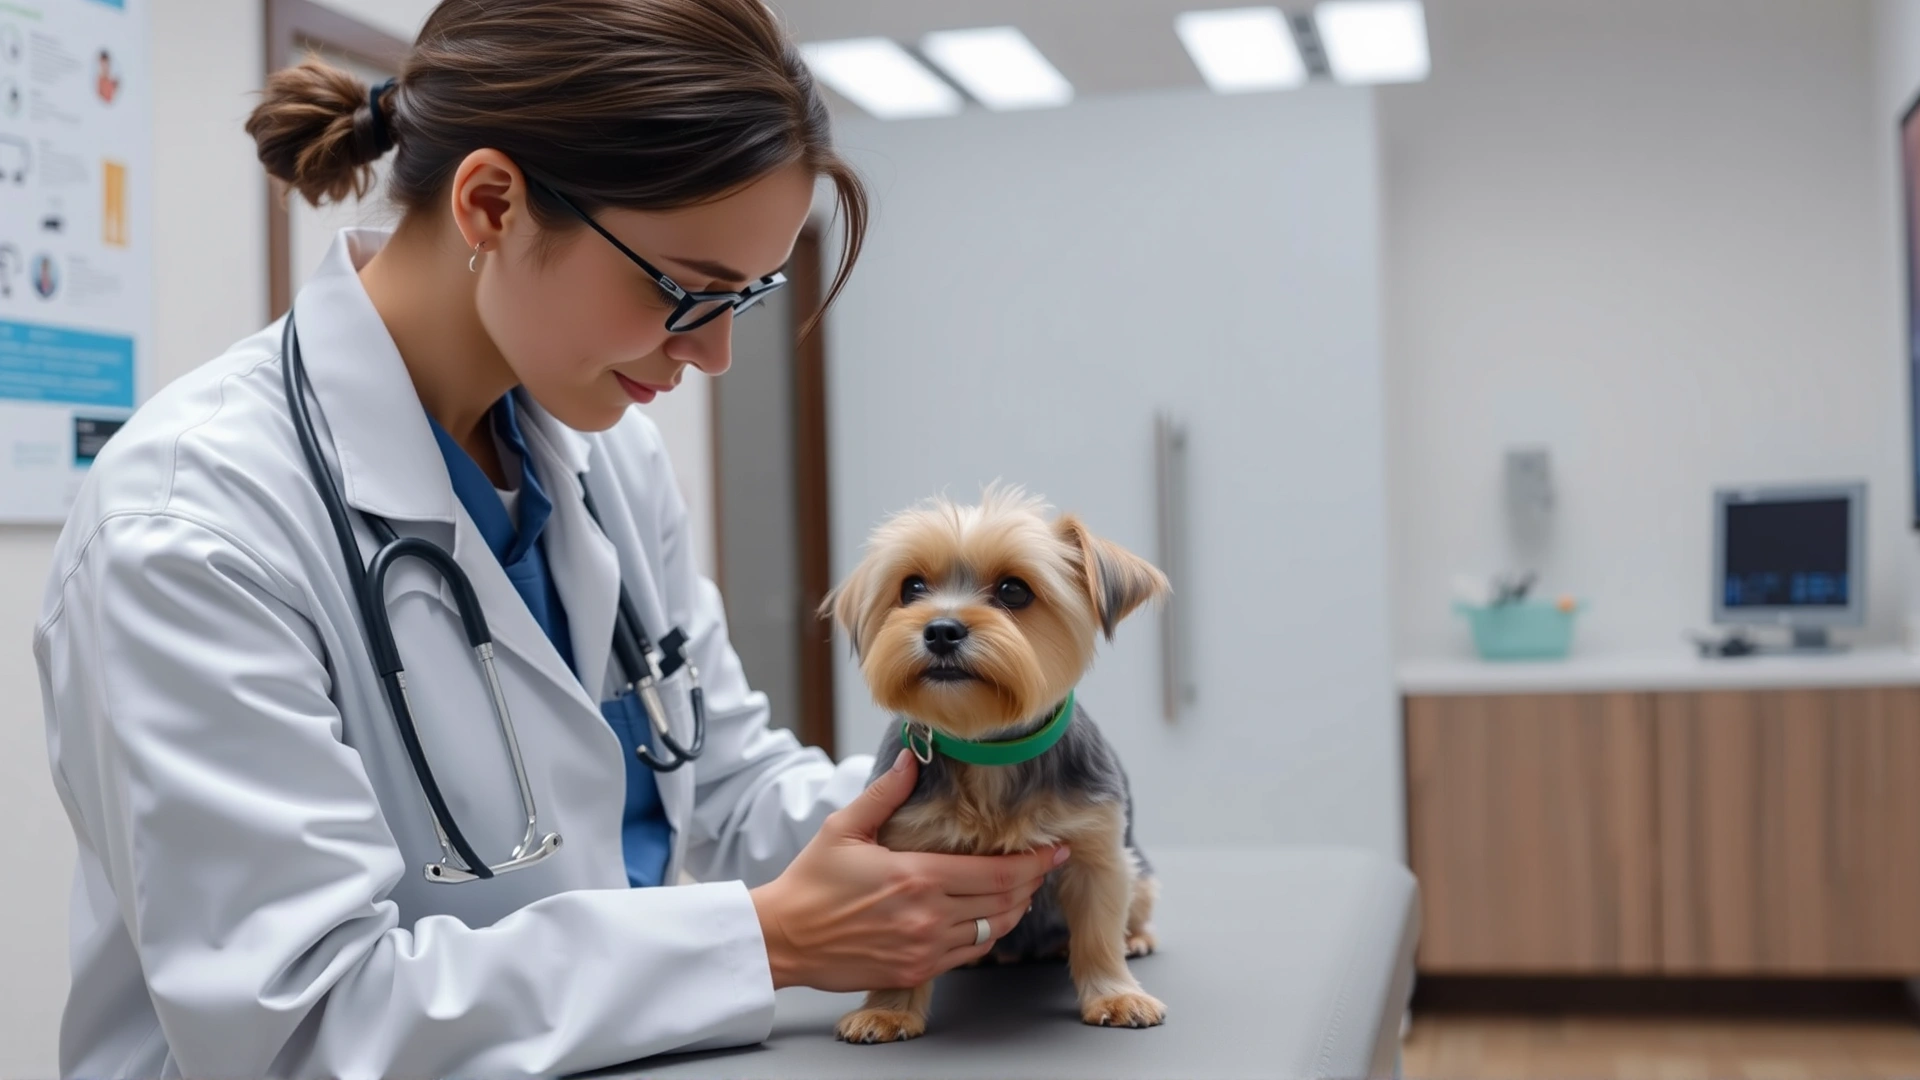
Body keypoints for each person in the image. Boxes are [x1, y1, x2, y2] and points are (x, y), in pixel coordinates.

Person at [33, 2, 1065, 1077]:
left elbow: (723, 783)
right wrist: (768, 939)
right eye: (682, 291)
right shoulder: (192, 526)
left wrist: (985, 802)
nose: (711, 355)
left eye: (741, 301)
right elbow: (302, 1023)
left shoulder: (605, 457)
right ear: (491, 204)